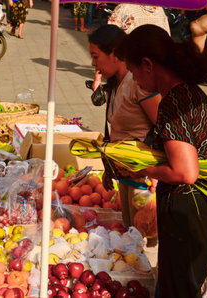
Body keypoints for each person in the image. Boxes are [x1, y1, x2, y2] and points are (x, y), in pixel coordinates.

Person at [116, 24, 207, 297]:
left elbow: (185, 172)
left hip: (189, 210)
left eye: (133, 72)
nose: (135, 80)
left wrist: (142, 168)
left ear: (147, 65)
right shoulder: (189, 92)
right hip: (205, 205)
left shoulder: (172, 104)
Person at [88, 25, 161, 228]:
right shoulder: (115, 82)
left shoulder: (137, 82)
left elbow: (164, 126)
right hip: (127, 176)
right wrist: (110, 167)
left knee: (146, 242)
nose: (93, 63)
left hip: (146, 179)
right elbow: (120, 132)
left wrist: (158, 173)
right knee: (133, 237)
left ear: (114, 54)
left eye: (96, 56)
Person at [92, 4, 170, 91]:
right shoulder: (159, 10)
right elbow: (167, 45)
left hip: (128, 73)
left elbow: (107, 44)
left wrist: (98, 77)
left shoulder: (124, 8)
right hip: (152, 74)